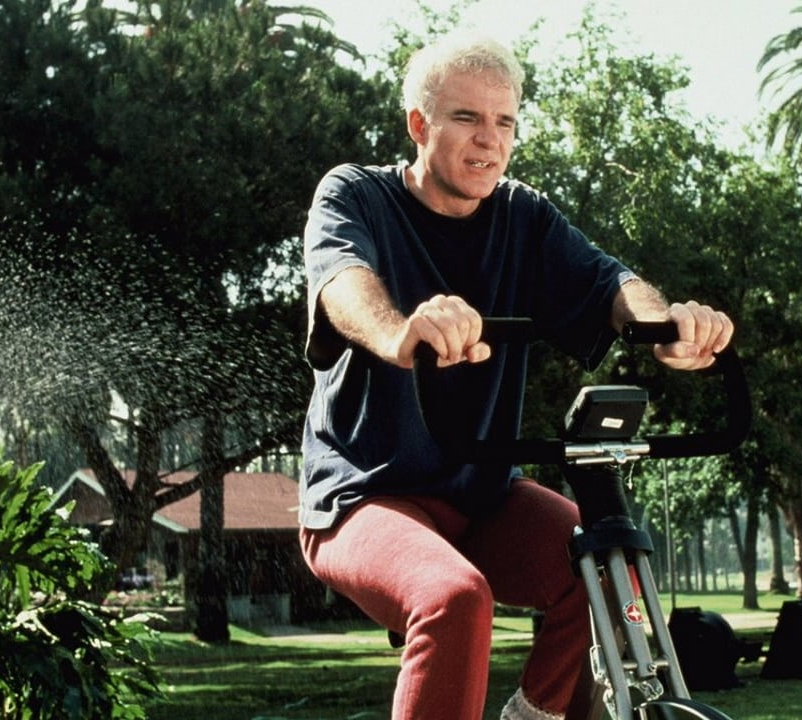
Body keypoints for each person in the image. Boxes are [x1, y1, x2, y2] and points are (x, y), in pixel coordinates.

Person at [298, 32, 733, 720]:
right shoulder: (355, 194)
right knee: (454, 599)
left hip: (483, 495)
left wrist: (667, 326)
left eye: (505, 122)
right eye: (466, 118)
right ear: (419, 125)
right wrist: (397, 334)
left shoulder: (522, 215)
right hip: (364, 495)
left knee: (609, 564)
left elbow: (609, 282)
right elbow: (343, 283)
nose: (489, 140)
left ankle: (534, 715)